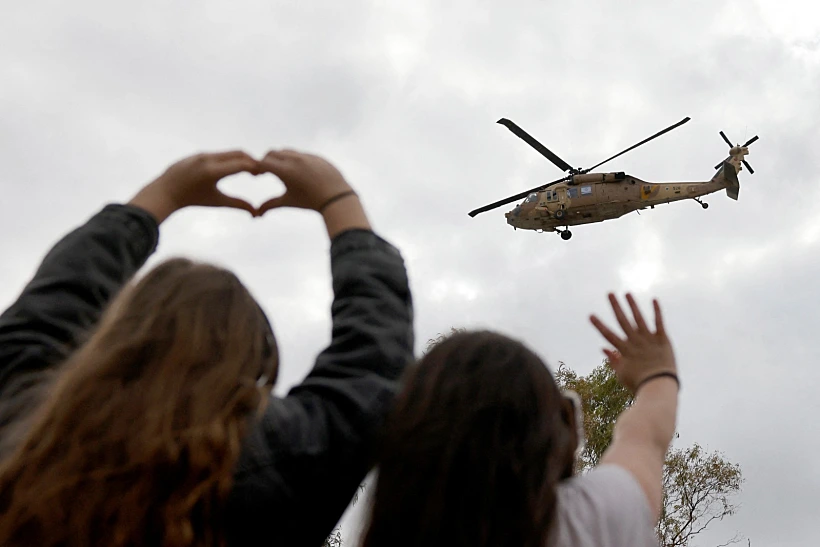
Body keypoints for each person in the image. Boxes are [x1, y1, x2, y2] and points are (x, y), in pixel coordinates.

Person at [0, 149, 414, 546]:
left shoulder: (24, 413)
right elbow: (373, 358)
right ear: (256, 361)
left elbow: (55, 303)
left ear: (115, 334)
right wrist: (338, 200)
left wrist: (163, 195)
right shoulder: (293, 456)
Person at [360, 294, 678, 547]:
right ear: (558, 436)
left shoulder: (395, 528)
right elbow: (644, 438)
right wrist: (657, 373)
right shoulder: (594, 520)